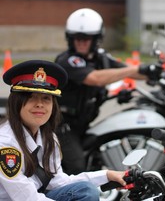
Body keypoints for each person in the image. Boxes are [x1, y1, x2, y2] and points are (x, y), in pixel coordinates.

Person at [55, 8, 164, 174]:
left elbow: (128, 69)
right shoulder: (68, 60)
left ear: (96, 39)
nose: (82, 42)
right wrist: (136, 69)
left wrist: (154, 72)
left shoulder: (101, 57)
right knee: (77, 168)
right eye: (77, 37)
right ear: (70, 38)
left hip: (83, 123)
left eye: (87, 38)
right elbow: (95, 78)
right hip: (62, 125)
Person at [0, 60, 126, 201]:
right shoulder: (5, 145)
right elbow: (28, 198)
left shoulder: (48, 138)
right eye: (31, 97)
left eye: (46, 98)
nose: (40, 104)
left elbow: (58, 182)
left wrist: (107, 175)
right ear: (16, 102)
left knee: (86, 190)